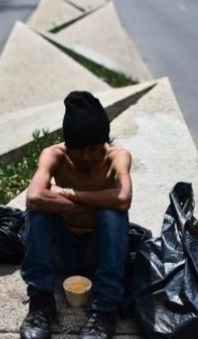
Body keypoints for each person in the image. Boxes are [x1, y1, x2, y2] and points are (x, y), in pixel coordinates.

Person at [19, 91, 133, 339]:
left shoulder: (117, 156)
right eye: (78, 150)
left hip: (97, 251)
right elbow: (34, 196)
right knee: (39, 211)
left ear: (104, 143)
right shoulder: (54, 155)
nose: (86, 157)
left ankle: (104, 309)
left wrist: (69, 194)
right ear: (67, 146)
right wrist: (84, 202)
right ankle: (41, 303)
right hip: (64, 250)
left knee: (112, 215)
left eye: (93, 149)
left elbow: (123, 198)